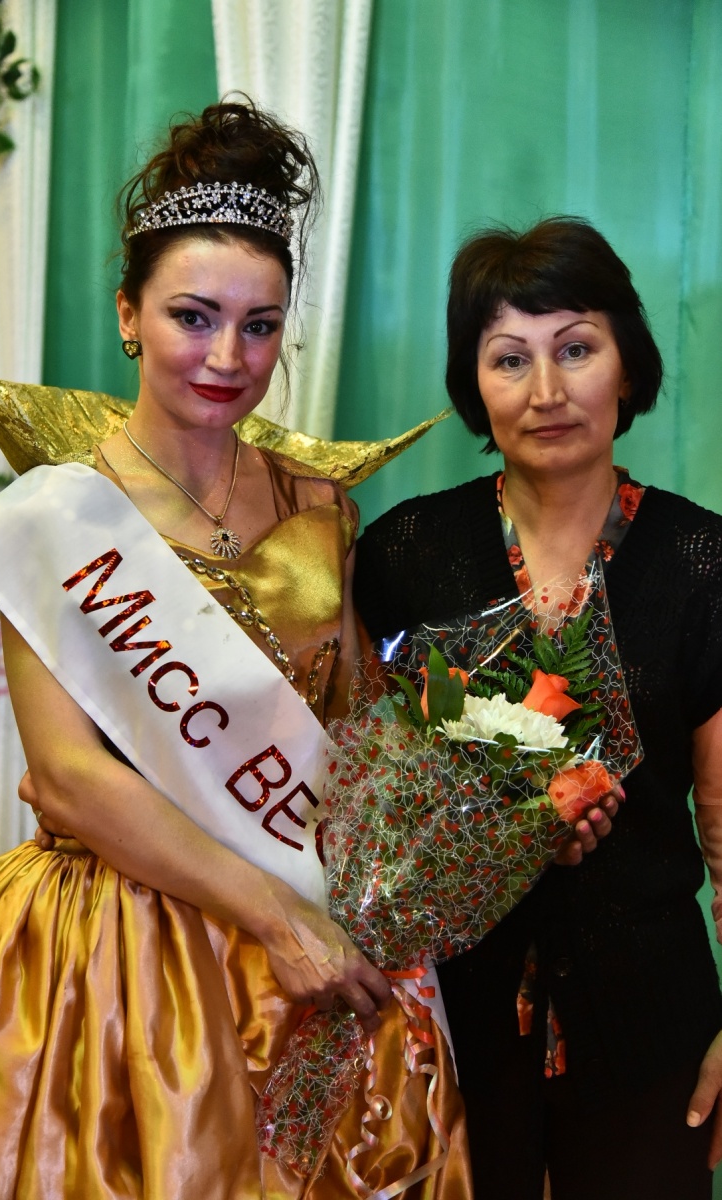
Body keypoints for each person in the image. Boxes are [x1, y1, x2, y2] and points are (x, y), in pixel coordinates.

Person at [0, 102, 473, 1199]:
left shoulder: (318, 502)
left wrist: (458, 832)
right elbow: (68, 779)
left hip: (309, 934)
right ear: (128, 315)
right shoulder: (57, 517)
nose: (228, 357)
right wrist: (276, 917)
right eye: (192, 316)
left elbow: (353, 727)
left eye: (259, 325)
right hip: (110, 952)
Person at [353, 215, 722, 1200]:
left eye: (576, 349)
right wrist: (497, 833)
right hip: (447, 1021)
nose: (546, 391)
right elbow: (366, 796)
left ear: (627, 367)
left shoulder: (701, 564)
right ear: (473, 384)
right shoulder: (407, 555)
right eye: (509, 358)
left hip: (647, 1020)